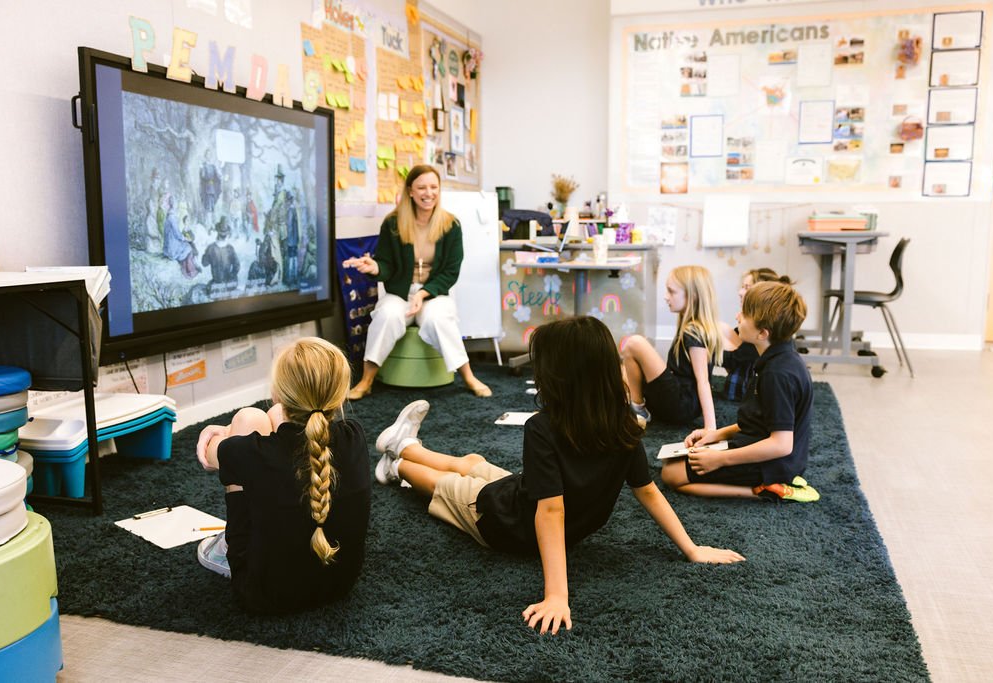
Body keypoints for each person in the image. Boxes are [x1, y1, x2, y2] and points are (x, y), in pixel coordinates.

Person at [373, 317, 744, 634]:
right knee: (472, 461)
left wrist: (557, 596)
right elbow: (646, 491)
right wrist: (692, 549)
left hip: (506, 524)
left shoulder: (542, 427)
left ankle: (397, 465)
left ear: (558, 379)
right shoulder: (626, 423)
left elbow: (552, 513)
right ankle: (406, 445)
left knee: (445, 486)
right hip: (520, 498)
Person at [194, 337, 371, 614]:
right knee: (266, 426)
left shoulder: (253, 454)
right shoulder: (354, 436)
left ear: (278, 392)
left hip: (265, 595)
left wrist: (225, 429)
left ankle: (225, 549)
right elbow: (285, 423)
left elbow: (208, 457)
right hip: (339, 584)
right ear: (340, 393)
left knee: (249, 418)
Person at [342, 164, 491, 399]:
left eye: (434, 187)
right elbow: (386, 265)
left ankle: (469, 376)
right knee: (386, 316)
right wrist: (375, 267)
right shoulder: (393, 223)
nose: (428, 193)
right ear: (410, 191)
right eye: (421, 187)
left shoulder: (451, 225)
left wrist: (422, 295)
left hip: (433, 294)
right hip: (400, 294)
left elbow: (451, 272)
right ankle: (366, 380)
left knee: (437, 318)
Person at [662, 282, 819, 503]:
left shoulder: (778, 374)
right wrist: (717, 435)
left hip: (775, 464)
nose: (737, 316)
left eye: (744, 315)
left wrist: (720, 459)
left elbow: (782, 444)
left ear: (763, 333)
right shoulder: (776, 360)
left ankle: (766, 491)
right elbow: (761, 421)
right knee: (675, 461)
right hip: (761, 447)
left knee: (671, 474)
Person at [621, 265, 722, 431]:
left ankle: (638, 409)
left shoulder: (694, 331)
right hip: (680, 401)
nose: (666, 297)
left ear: (693, 297)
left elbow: (703, 380)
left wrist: (710, 428)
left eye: (671, 292)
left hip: (682, 404)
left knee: (635, 343)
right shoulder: (691, 326)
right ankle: (636, 405)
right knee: (624, 370)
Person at [720, 268, 794, 401]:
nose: (740, 292)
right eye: (742, 287)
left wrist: (707, 354)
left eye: (746, 288)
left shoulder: (763, 330)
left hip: (749, 390)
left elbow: (734, 358)